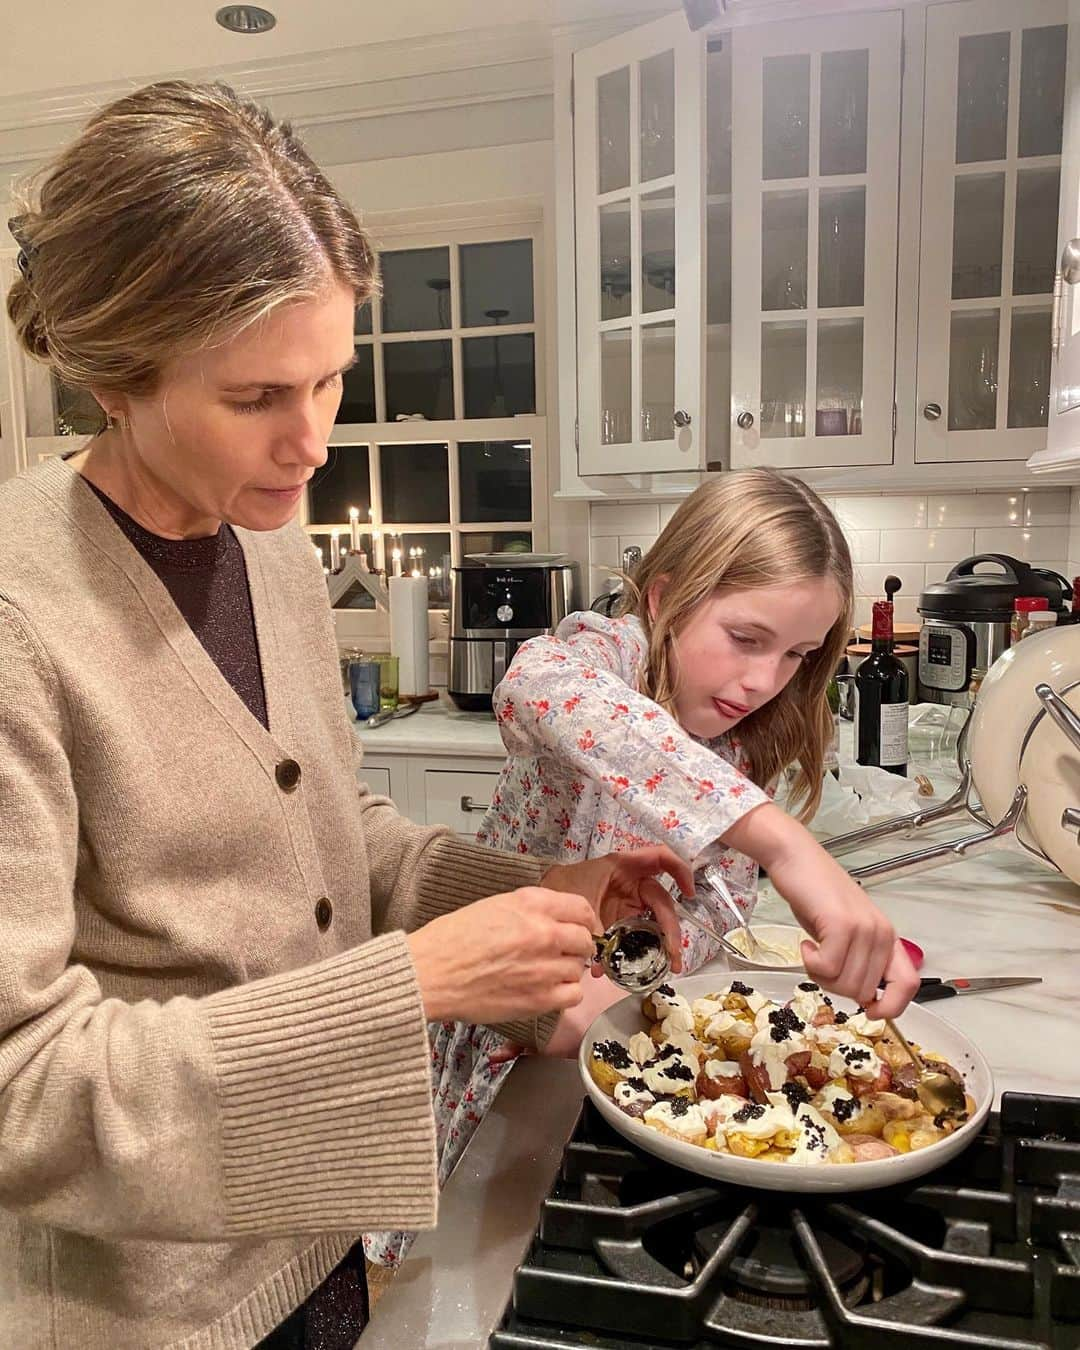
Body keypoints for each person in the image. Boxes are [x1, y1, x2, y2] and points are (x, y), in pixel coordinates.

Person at [0, 80, 696, 1350]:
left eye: (331, 380)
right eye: (257, 397)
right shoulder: (18, 617)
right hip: (146, 1311)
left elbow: (337, 843)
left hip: (325, 1241)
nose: (313, 438)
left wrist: (539, 884)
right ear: (115, 371)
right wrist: (415, 987)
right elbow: (23, 1092)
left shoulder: (273, 554)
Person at [364, 471, 920, 1268]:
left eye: (797, 654)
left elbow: (716, 907)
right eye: (746, 638)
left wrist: (633, 969)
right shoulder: (608, 659)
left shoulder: (742, 745)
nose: (765, 681)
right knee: (424, 1261)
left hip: (586, 1048)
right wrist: (784, 842)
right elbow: (537, 686)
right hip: (469, 1033)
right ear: (663, 599)